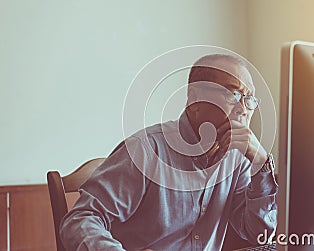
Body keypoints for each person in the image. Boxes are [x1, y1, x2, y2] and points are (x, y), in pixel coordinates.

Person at [60, 54, 278, 251]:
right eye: (234, 94)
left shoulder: (238, 159)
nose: (243, 109)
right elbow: (81, 219)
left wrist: (260, 161)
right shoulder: (145, 149)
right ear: (194, 99)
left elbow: (258, 234)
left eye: (249, 100)